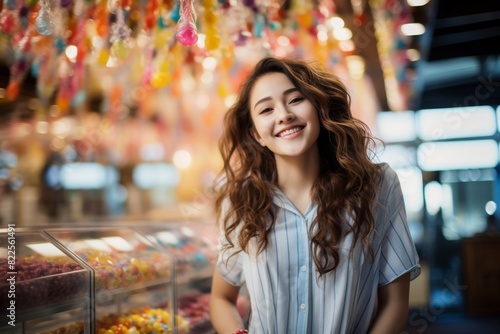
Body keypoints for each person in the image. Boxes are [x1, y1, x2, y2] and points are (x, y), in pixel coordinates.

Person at [209, 57, 420, 334]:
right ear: (256, 134)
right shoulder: (240, 200)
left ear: (319, 107)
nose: (283, 115)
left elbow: (394, 302)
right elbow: (221, 298)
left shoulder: (377, 186)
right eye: (266, 109)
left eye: (295, 99)